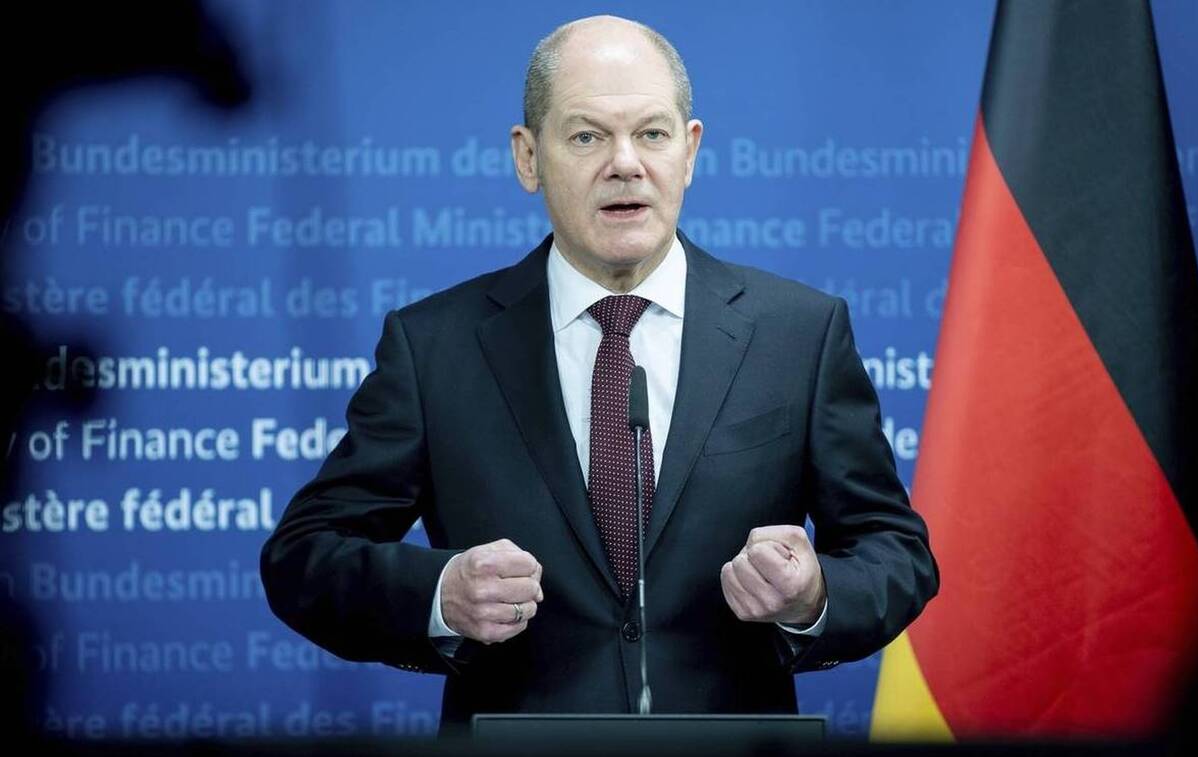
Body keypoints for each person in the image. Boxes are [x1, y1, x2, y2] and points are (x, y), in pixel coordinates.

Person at [260, 14, 938, 726]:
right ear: (528, 157)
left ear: (690, 151)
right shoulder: (436, 346)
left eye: (652, 134)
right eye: (587, 136)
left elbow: (896, 552)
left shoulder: (798, 333)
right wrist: (440, 594)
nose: (625, 163)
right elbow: (304, 557)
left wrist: (815, 595)